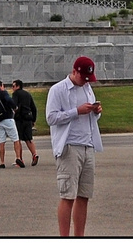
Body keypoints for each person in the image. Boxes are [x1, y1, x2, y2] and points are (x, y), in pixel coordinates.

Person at [46, 56, 103, 237]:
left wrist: (96, 112)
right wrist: (76, 111)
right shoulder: (58, 90)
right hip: (69, 145)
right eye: (83, 78)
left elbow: (92, 117)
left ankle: (80, 235)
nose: (85, 82)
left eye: (88, 79)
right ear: (74, 71)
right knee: (68, 195)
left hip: (88, 144)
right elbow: (51, 118)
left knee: (84, 195)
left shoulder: (87, 88)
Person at [0, 80, 24, 169]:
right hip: (8, 118)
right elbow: (9, 100)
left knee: (1, 142)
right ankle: (18, 157)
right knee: (15, 139)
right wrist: (14, 107)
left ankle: (2, 162)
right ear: (1, 86)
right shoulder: (3, 93)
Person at [12, 80, 40, 165]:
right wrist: (33, 119)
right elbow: (33, 108)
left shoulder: (16, 94)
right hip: (28, 118)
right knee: (29, 139)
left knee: (18, 139)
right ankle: (34, 154)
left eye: (13, 86)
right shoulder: (27, 94)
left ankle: (20, 159)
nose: (12, 88)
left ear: (18, 86)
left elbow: (14, 105)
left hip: (19, 119)